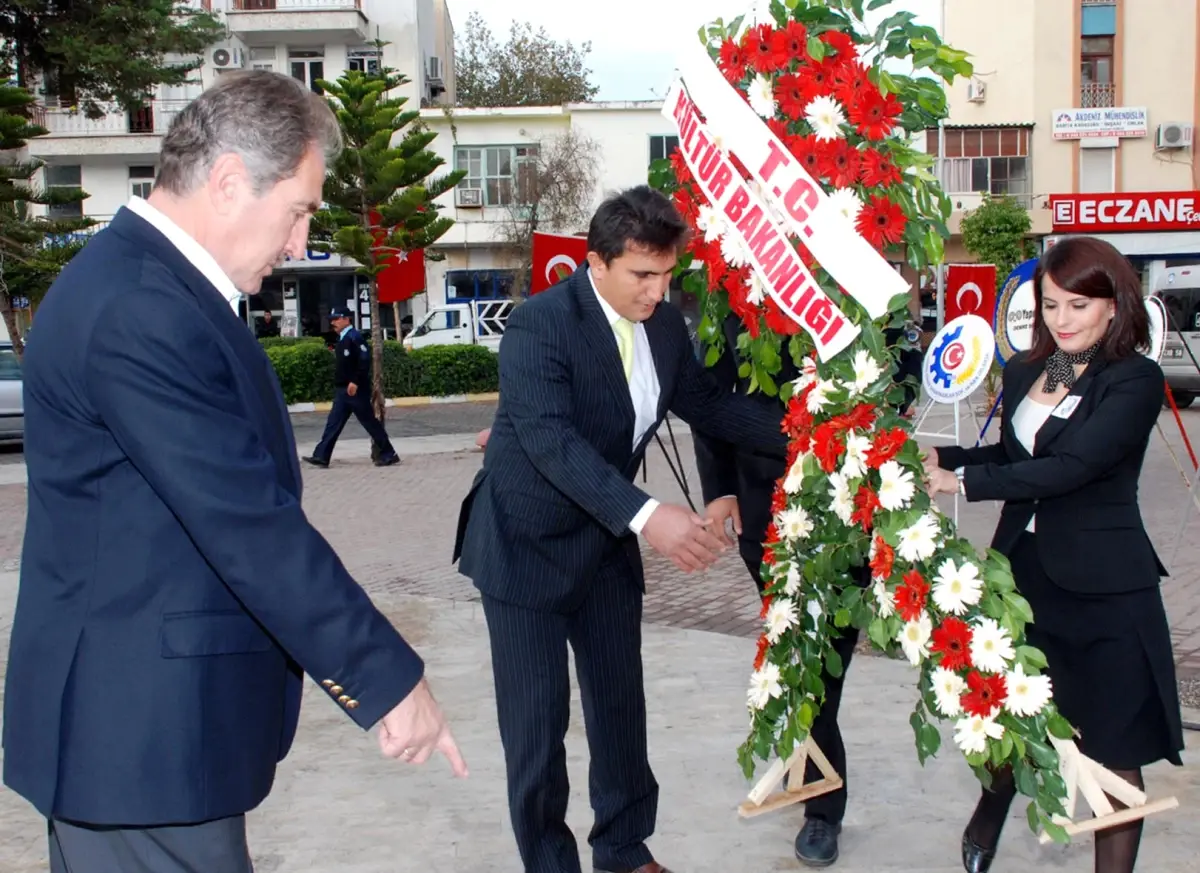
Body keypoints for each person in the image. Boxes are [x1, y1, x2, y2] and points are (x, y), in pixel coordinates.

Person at [2, 70, 467, 873]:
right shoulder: (140, 307)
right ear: (226, 182)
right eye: (297, 212)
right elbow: (246, 521)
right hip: (139, 744)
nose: (297, 244)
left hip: (143, 745)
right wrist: (384, 676)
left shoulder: (152, 287)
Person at [452, 186, 789, 873]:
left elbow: (709, 407)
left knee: (619, 708)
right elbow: (552, 444)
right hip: (525, 547)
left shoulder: (664, 328)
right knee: (538, 729)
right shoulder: (539, 326)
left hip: (602, 547)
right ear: (595, 262)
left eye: (668, 276)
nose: (658, 292)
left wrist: (815, 437)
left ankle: (625, 848)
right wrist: (646, 513)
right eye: (643, 274)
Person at [923, 236, 1183, 873]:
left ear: (1114, 306)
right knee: (1014, 715)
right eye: (1050, 306)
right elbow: (1021, 458)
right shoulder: (1038, 371)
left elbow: (1072, 466)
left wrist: (964, 484)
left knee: (1114, 747)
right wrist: (942, 458)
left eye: (1079, 306)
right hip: (1024, 577)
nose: (1063, 320)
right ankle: (991, 810)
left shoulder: (1132, 379)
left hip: (1106, 590)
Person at [692, 299, 923, 869]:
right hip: (765, 507)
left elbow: (907, 373)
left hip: (853, 510)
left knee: (824, 661)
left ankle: (822, 796)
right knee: (804, 654)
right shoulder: (737, 301)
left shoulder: (866, 291)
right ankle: (822, 807)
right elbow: (710, 399)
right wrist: (719, 488)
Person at [304, 305, 400, 468]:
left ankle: (389, 453)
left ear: (346, 319)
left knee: (369, 422)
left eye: (336, 319)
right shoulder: (342, 338)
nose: (333, 323)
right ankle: (321, 455)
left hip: (355, 390)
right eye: (332, 320)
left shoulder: (355, 337)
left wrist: (355, 381)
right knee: (333, 424)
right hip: (343, 391)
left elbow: (364, 361)